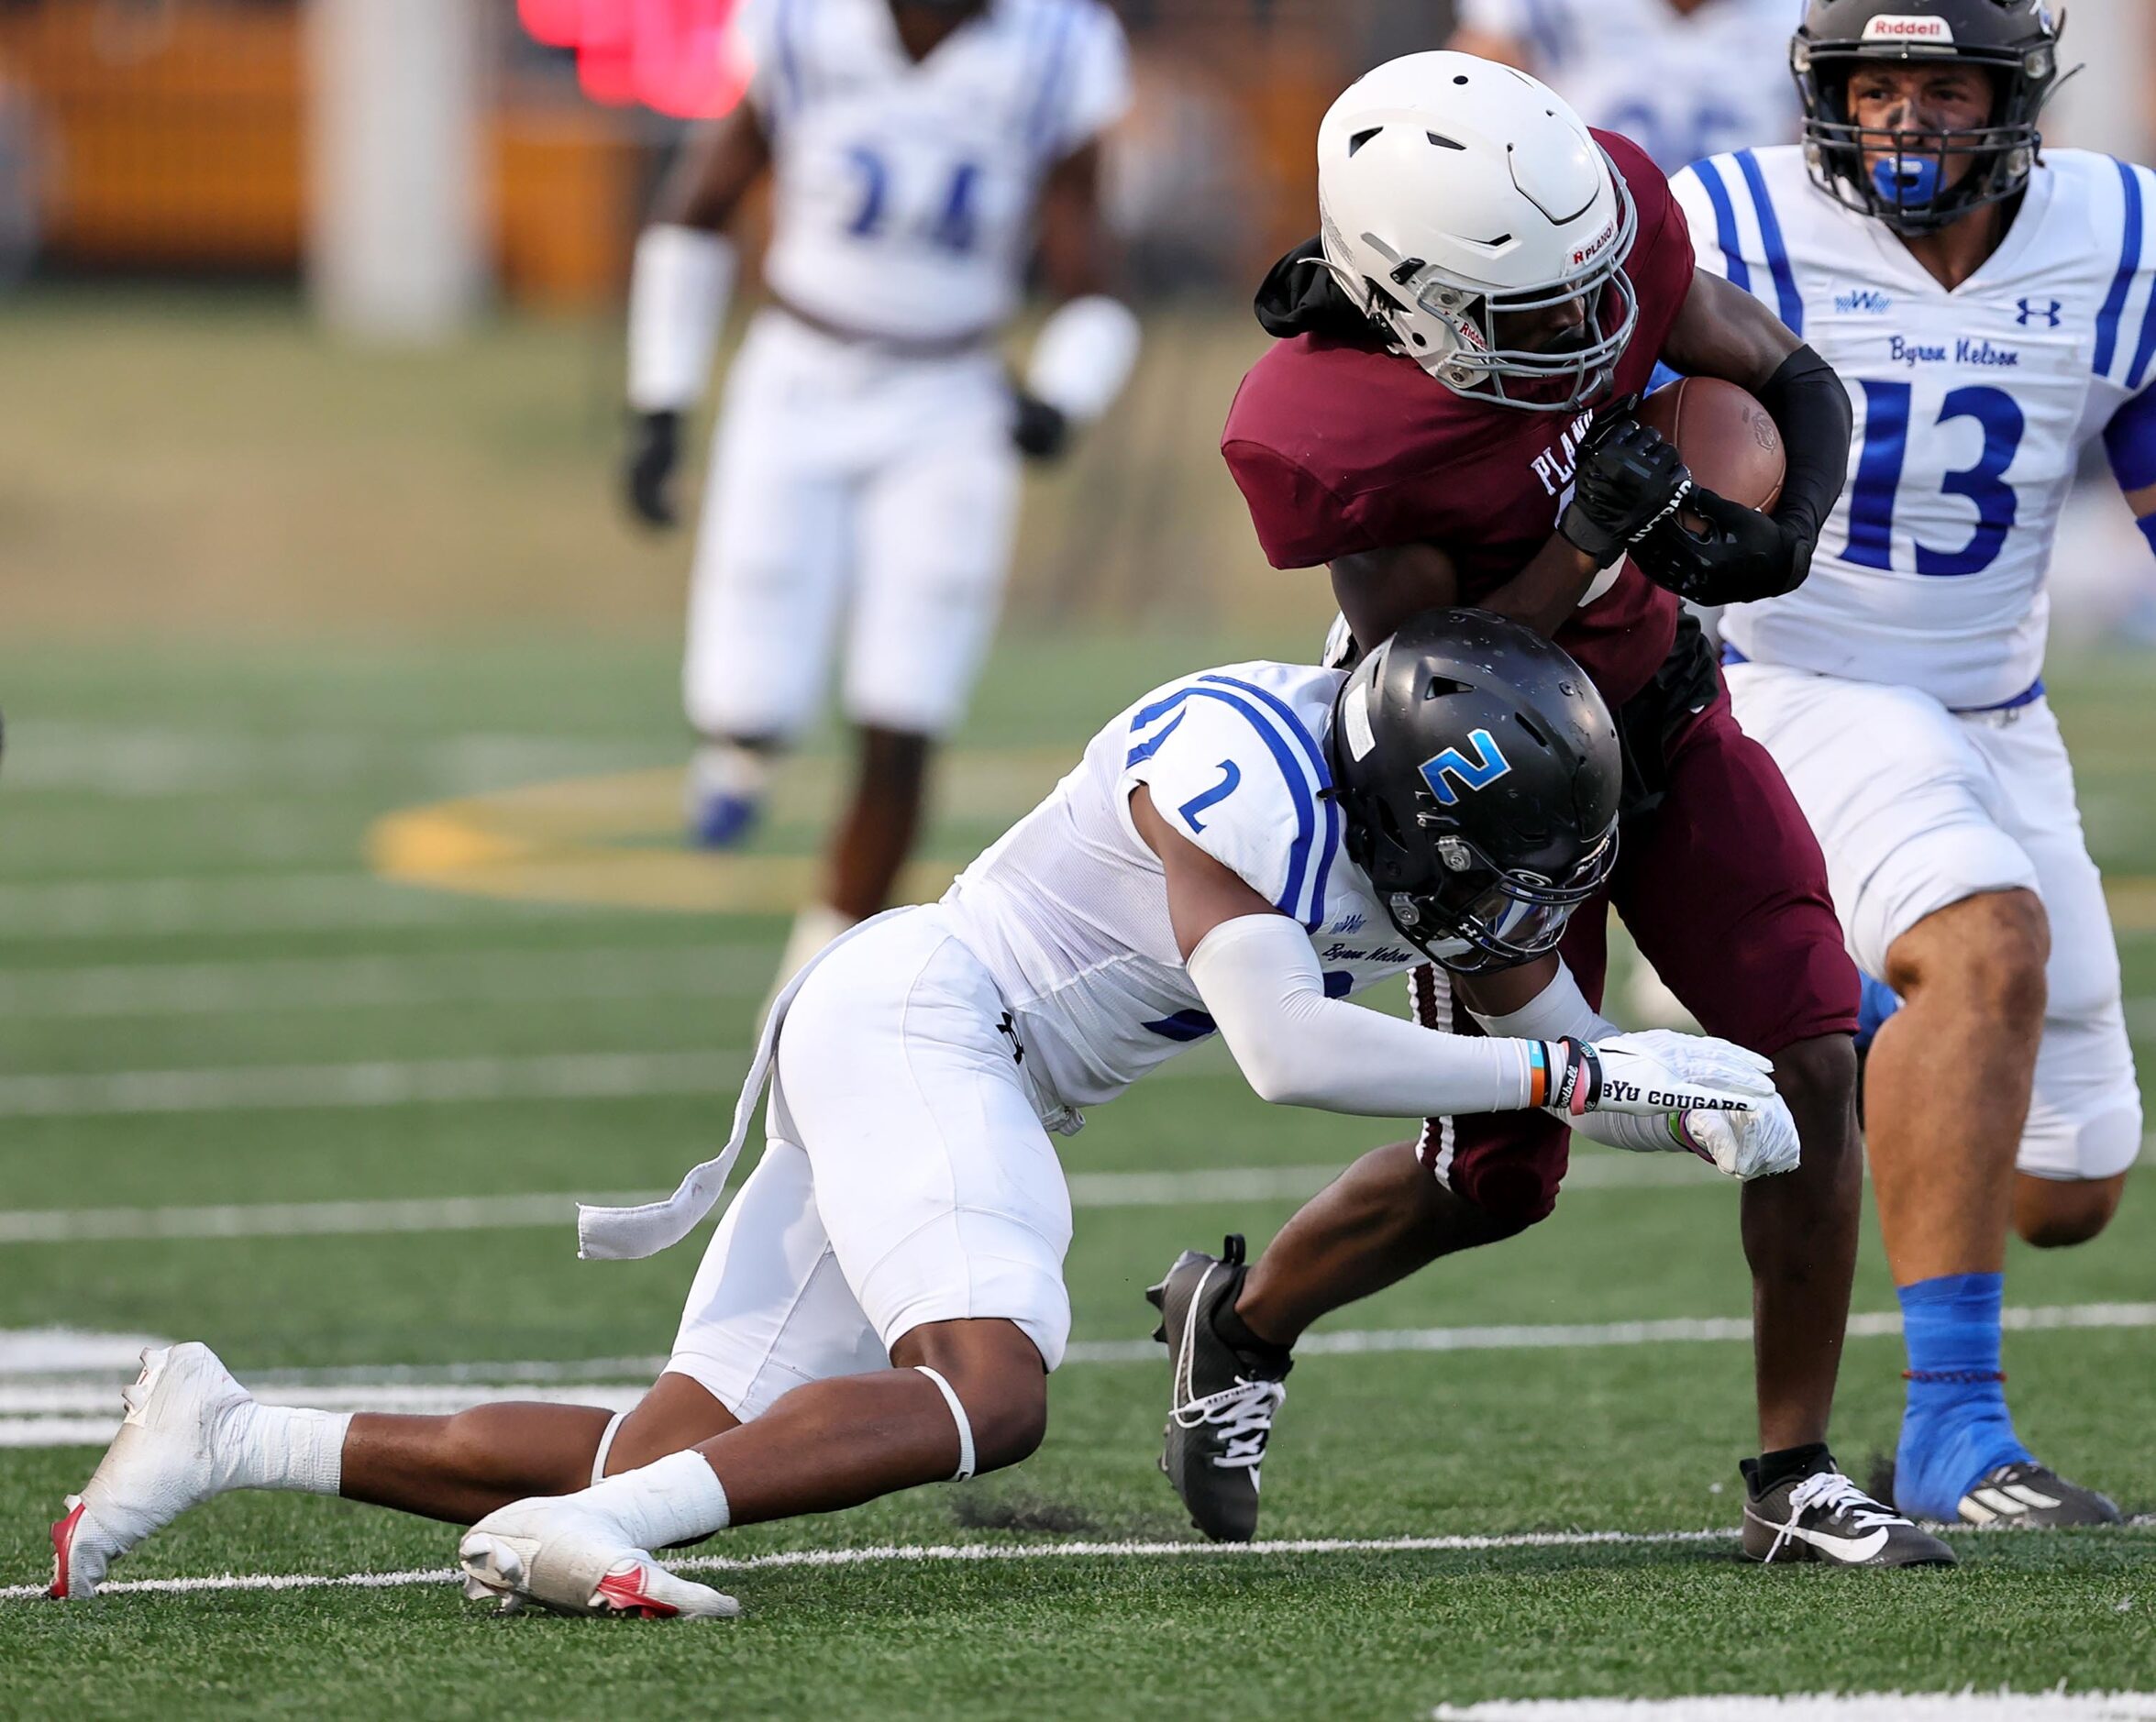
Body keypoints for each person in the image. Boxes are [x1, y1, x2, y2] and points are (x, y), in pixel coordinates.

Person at [48, 614, 1798, 1616]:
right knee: (993, 1385)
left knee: (656, 1451)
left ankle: (237, 1431)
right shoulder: (1243, 765)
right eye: (1490, 876)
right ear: (1419, 800)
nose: (1499, 917)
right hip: (929, 1021)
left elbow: (1567, 1044)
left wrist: (1702, 1095)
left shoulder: (1406, 814)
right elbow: (1291, 1050)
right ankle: (598, 1542)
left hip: (938, 1051)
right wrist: (1588, 1073)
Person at [1153, 50, 1954, 1566]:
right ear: (1407, 294)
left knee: (1810, 1053)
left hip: (1659, 705)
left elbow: (1790, 376)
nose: (1593, 336)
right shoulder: (1331, 428)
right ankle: (1243, 1315)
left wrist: (1772, 535)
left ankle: (1793, 1470)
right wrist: (1589, 539)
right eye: (1537, 317)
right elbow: (1440, 679)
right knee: (1499, 1176)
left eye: (1595, 291)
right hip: (1482, 778)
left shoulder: (1599, 223)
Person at [1668, 0, 2144, 1529]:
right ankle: (1954, 1430)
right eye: (1873, 88)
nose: (1902, 123)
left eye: (1942, 87)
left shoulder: (2118, 231)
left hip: (2000, 707)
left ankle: (1846, 1011)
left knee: (2068, 1188)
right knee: (1983, 942)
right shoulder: (1727, 216)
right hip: (1796, 682)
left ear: (2014, 97)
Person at [624, 0, 1143, 994]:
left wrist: (1062, 393)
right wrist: (659, 402)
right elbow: (700, 208)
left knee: (907, 705)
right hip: (799, 368)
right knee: (751, 676)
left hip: (950, 394)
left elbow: (1089, 271)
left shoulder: (1054, 49)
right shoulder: (802, 27)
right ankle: (742, 745)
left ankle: (812, 986)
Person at [1447, 0, 1801, 174]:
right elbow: (1459, 103)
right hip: (1572, 238)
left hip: (1745, 247)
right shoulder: (1525, 16)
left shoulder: (1805, 16)